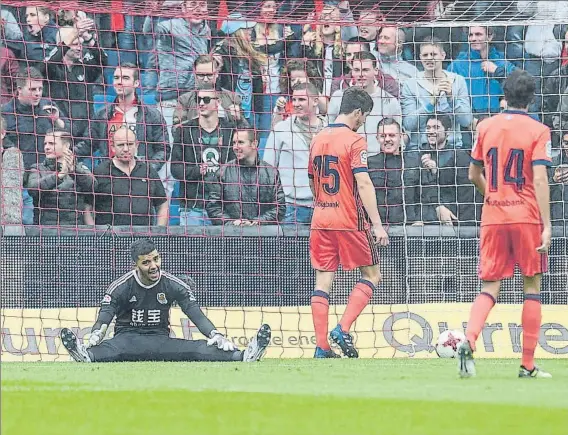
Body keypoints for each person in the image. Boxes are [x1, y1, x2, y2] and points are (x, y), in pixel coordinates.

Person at [464, 69, 552, 378]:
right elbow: (540, 178)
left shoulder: (486, 126)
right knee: (532, 285)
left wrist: (494, 194)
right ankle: (527, 365)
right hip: (526, 215)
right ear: (532, 97)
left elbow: (474, 174)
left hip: (493, 216)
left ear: (505, 95)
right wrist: (548, 224)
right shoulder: (539, 130)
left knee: (489, 284)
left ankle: (470, 339)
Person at [60, 239, 271, 363]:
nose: (153, 266)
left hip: (160, 340)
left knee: (198, 348)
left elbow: (194, 312)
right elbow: (106, 314)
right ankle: (83, 354)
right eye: (146, 262)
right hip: (127, 340)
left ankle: (245, 355)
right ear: (136, 265)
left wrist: (214, 334)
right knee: (108, 349)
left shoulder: (173, 284)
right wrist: (98, 332)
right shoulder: (121, 286)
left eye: (156, 259)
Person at [308, 86, 389, 359]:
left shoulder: (317, 138)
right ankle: (342, 329)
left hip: (320, 220)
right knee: (372, 275)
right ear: (357, 112)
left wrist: (324, 204)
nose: (363, 120)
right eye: (364, 116)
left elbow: (311, 180)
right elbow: (363, 182)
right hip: (349, 220)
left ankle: (322, 347)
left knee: (322, 281)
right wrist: (377, 224)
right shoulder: (355, 141)